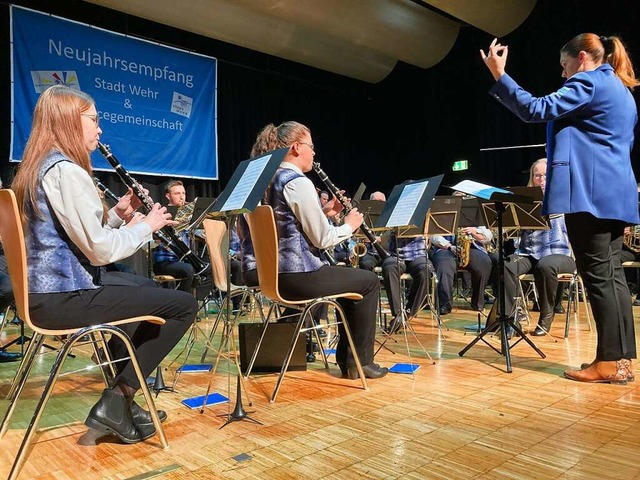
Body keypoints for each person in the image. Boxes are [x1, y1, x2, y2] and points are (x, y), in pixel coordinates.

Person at [10, 85, 197, 443]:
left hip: (46, 294)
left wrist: (116, 216)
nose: (99, 129)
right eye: (93, 120)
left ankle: (123, 405)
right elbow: (98, 251)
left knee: (143, 289)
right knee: (183, 305)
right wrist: (145, 226)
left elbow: (73, 239)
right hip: (64, 297)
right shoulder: (67, 171)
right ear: (68, 122)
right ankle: (118, 398)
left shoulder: (39, 167)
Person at [482, 33, 638, 383]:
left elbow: (535, 109)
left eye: (565, 67)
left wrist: (499, 75)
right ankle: (621, 358)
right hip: (615, 195)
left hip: (590, 194)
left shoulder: (589, 82)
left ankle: (611, 361)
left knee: (599, 278)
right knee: (612, 278)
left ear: (582, 58)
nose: (564, 75)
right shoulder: (619, 88)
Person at [251, 121, 387, 379]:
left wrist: (327, 213)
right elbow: (322, 239)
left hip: (276, 276)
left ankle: (351, 361)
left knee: (351, 284)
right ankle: (359, 362)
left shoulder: (270, 179)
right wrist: (349, 226)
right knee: (368, 281)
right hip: (299, 276)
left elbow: (293, 229)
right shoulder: (297, 182)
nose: (314, 153)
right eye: (311, 147)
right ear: (295, 147)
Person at [500, 159, 576, 336]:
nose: (541, 179)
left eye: (545, 175)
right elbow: (513, 232)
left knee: (546, 265)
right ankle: (512, 317)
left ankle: (546, 314)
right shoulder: (525, 201)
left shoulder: (566, 197)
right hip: (529, 253)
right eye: (537, 176)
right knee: (507, 264)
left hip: (559, 254)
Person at [431, 226, 493, 315]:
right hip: (446, 249)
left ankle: (478, 302)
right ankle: (445, 303)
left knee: (484, 262)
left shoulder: (475, 215)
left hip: (472, 249)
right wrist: (449, 246)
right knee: (443, 266)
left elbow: (488, 237)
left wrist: (474, 231)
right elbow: (433, 235)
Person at [381, 233, 433, 333]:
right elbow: (384, 239)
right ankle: (397, 315)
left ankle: (407, 314)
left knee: (425, 271)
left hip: (419, 256)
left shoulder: (421, 218)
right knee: (389, 268)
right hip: (396, 256)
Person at [152, 180, 195, 293]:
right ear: (168, 196)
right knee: (189, 269)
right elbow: (155, 239)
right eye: (177, 193)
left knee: (208, 267)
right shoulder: (162, 214)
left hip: (185, 259)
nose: (182, 197)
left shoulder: (189, 215)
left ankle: (196, 301)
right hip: (165, 262)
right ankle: (182, 300)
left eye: (183, 193)